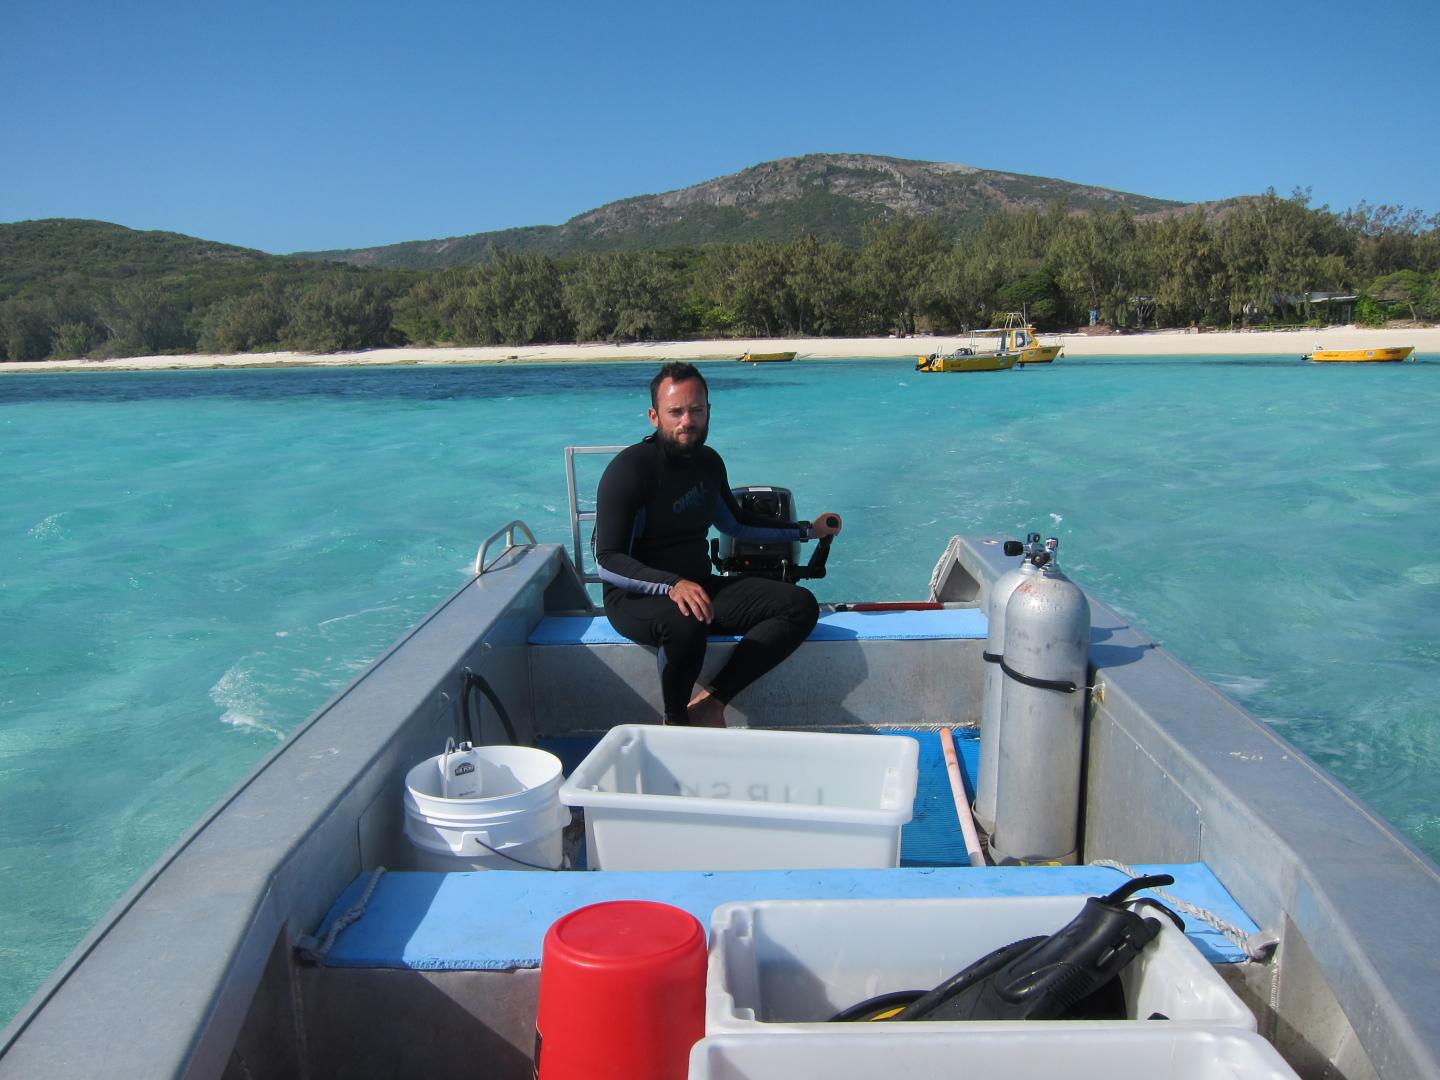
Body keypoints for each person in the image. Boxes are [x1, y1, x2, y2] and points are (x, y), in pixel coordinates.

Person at [594, 362, 841, 728]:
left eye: (696, 410)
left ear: (708, 410)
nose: (687, 421)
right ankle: (675, 722)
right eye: (676, 412)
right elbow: (607, 559)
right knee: (686, 620)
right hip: (636, 597)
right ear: (654, 416)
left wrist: (807, 531)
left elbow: (737, 523)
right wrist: (671, 584)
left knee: (799, 605)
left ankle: (712, 702)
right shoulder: (631, 470)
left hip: (698, 586)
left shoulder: (708, 463)